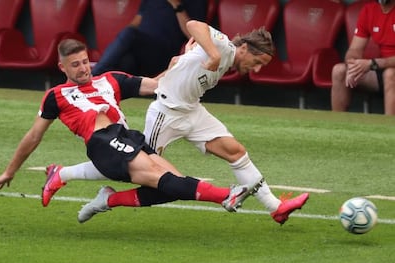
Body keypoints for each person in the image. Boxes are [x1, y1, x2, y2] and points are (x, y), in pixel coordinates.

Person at [41, 21, 310, 225]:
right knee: (146, 176)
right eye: (258, 61)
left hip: (191, 111)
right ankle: (91, 190)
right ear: (243, 48)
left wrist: (185, 58)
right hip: (166, 112)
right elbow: (194, 24)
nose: (257, 68)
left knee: (235, 151)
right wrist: (212, 54)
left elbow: (183, 69)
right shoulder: (225, 47)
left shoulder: (227, 57)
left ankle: (276, 208)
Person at [0, 38, 259, 223]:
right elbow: (34, 136)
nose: (83, 69)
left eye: (84, 62)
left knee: (173, 186)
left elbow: (157, 86)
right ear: (62, 67)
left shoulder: (110, 80)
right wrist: (10, 170)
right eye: (75, 65)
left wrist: (182, 63)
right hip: (103, 141)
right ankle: (227, 194)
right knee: (160, 177)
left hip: (129, 138)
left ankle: (108, 198)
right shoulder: (56, 96)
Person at [92, 0, 208, 77]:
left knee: (130, 34)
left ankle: (93, 77)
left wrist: (176, 5)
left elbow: (194, 35)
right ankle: (98, 92)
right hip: (139, 54)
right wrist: (121, 43)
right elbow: (136, 21)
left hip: (163, 55)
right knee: (122, 62)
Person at [331, 0, 395, 115]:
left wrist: (374, 63)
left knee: (391, 73)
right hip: (381, 69)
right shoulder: (369, 10)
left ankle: (389, 129)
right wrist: (352, 64)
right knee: (339, 71)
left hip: (388, 70)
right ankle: (337, 126)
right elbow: (354, 50)